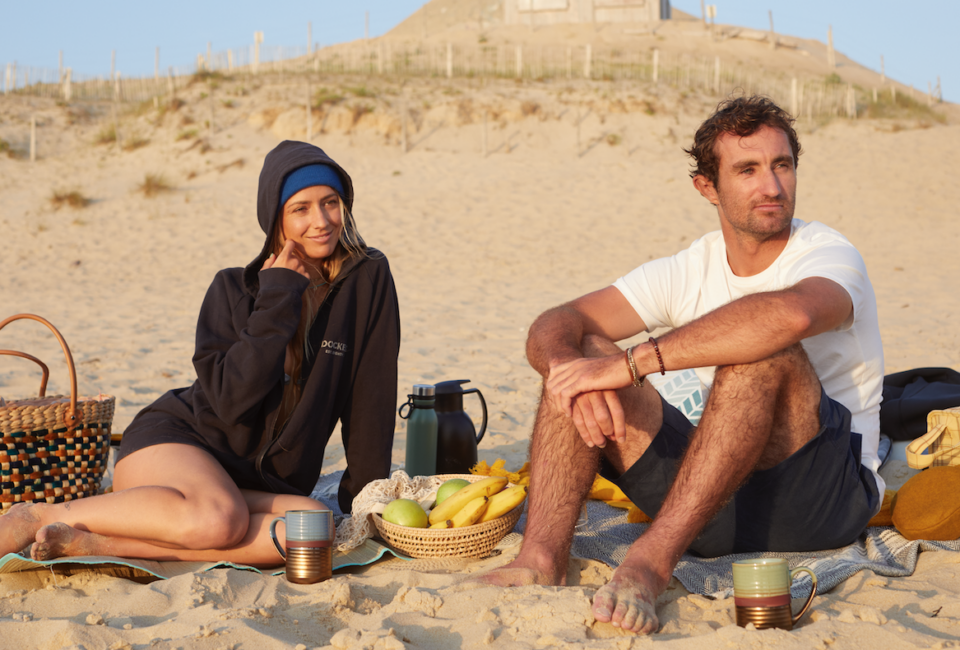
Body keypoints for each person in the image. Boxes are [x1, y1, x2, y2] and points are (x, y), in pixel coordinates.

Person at [479, 96, 884, 634]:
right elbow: (560, 318)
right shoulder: (689, 267)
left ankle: (647, 565)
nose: (772, 186)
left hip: (818, 497)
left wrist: (633, 364)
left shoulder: (828, 253)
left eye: (782, 165)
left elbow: (790, 314)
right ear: (707, 187)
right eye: (748, 169)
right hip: (707, 500)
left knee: (760, 352)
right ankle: (541, 559)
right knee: (579, 360)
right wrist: (572, 366)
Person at [0, 140, 400, 566]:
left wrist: (367, 500)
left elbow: (371, 395)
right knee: (219, 520)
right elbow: (232, 401)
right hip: (177, 445)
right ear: (275, 220)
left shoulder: (367, 279)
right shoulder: (232, 290)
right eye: (300, 208)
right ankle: (39, 515)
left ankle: (93, 544)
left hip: (251, 483)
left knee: (314, 528)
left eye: (331, 203)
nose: (321, 221)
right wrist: (278, 298)